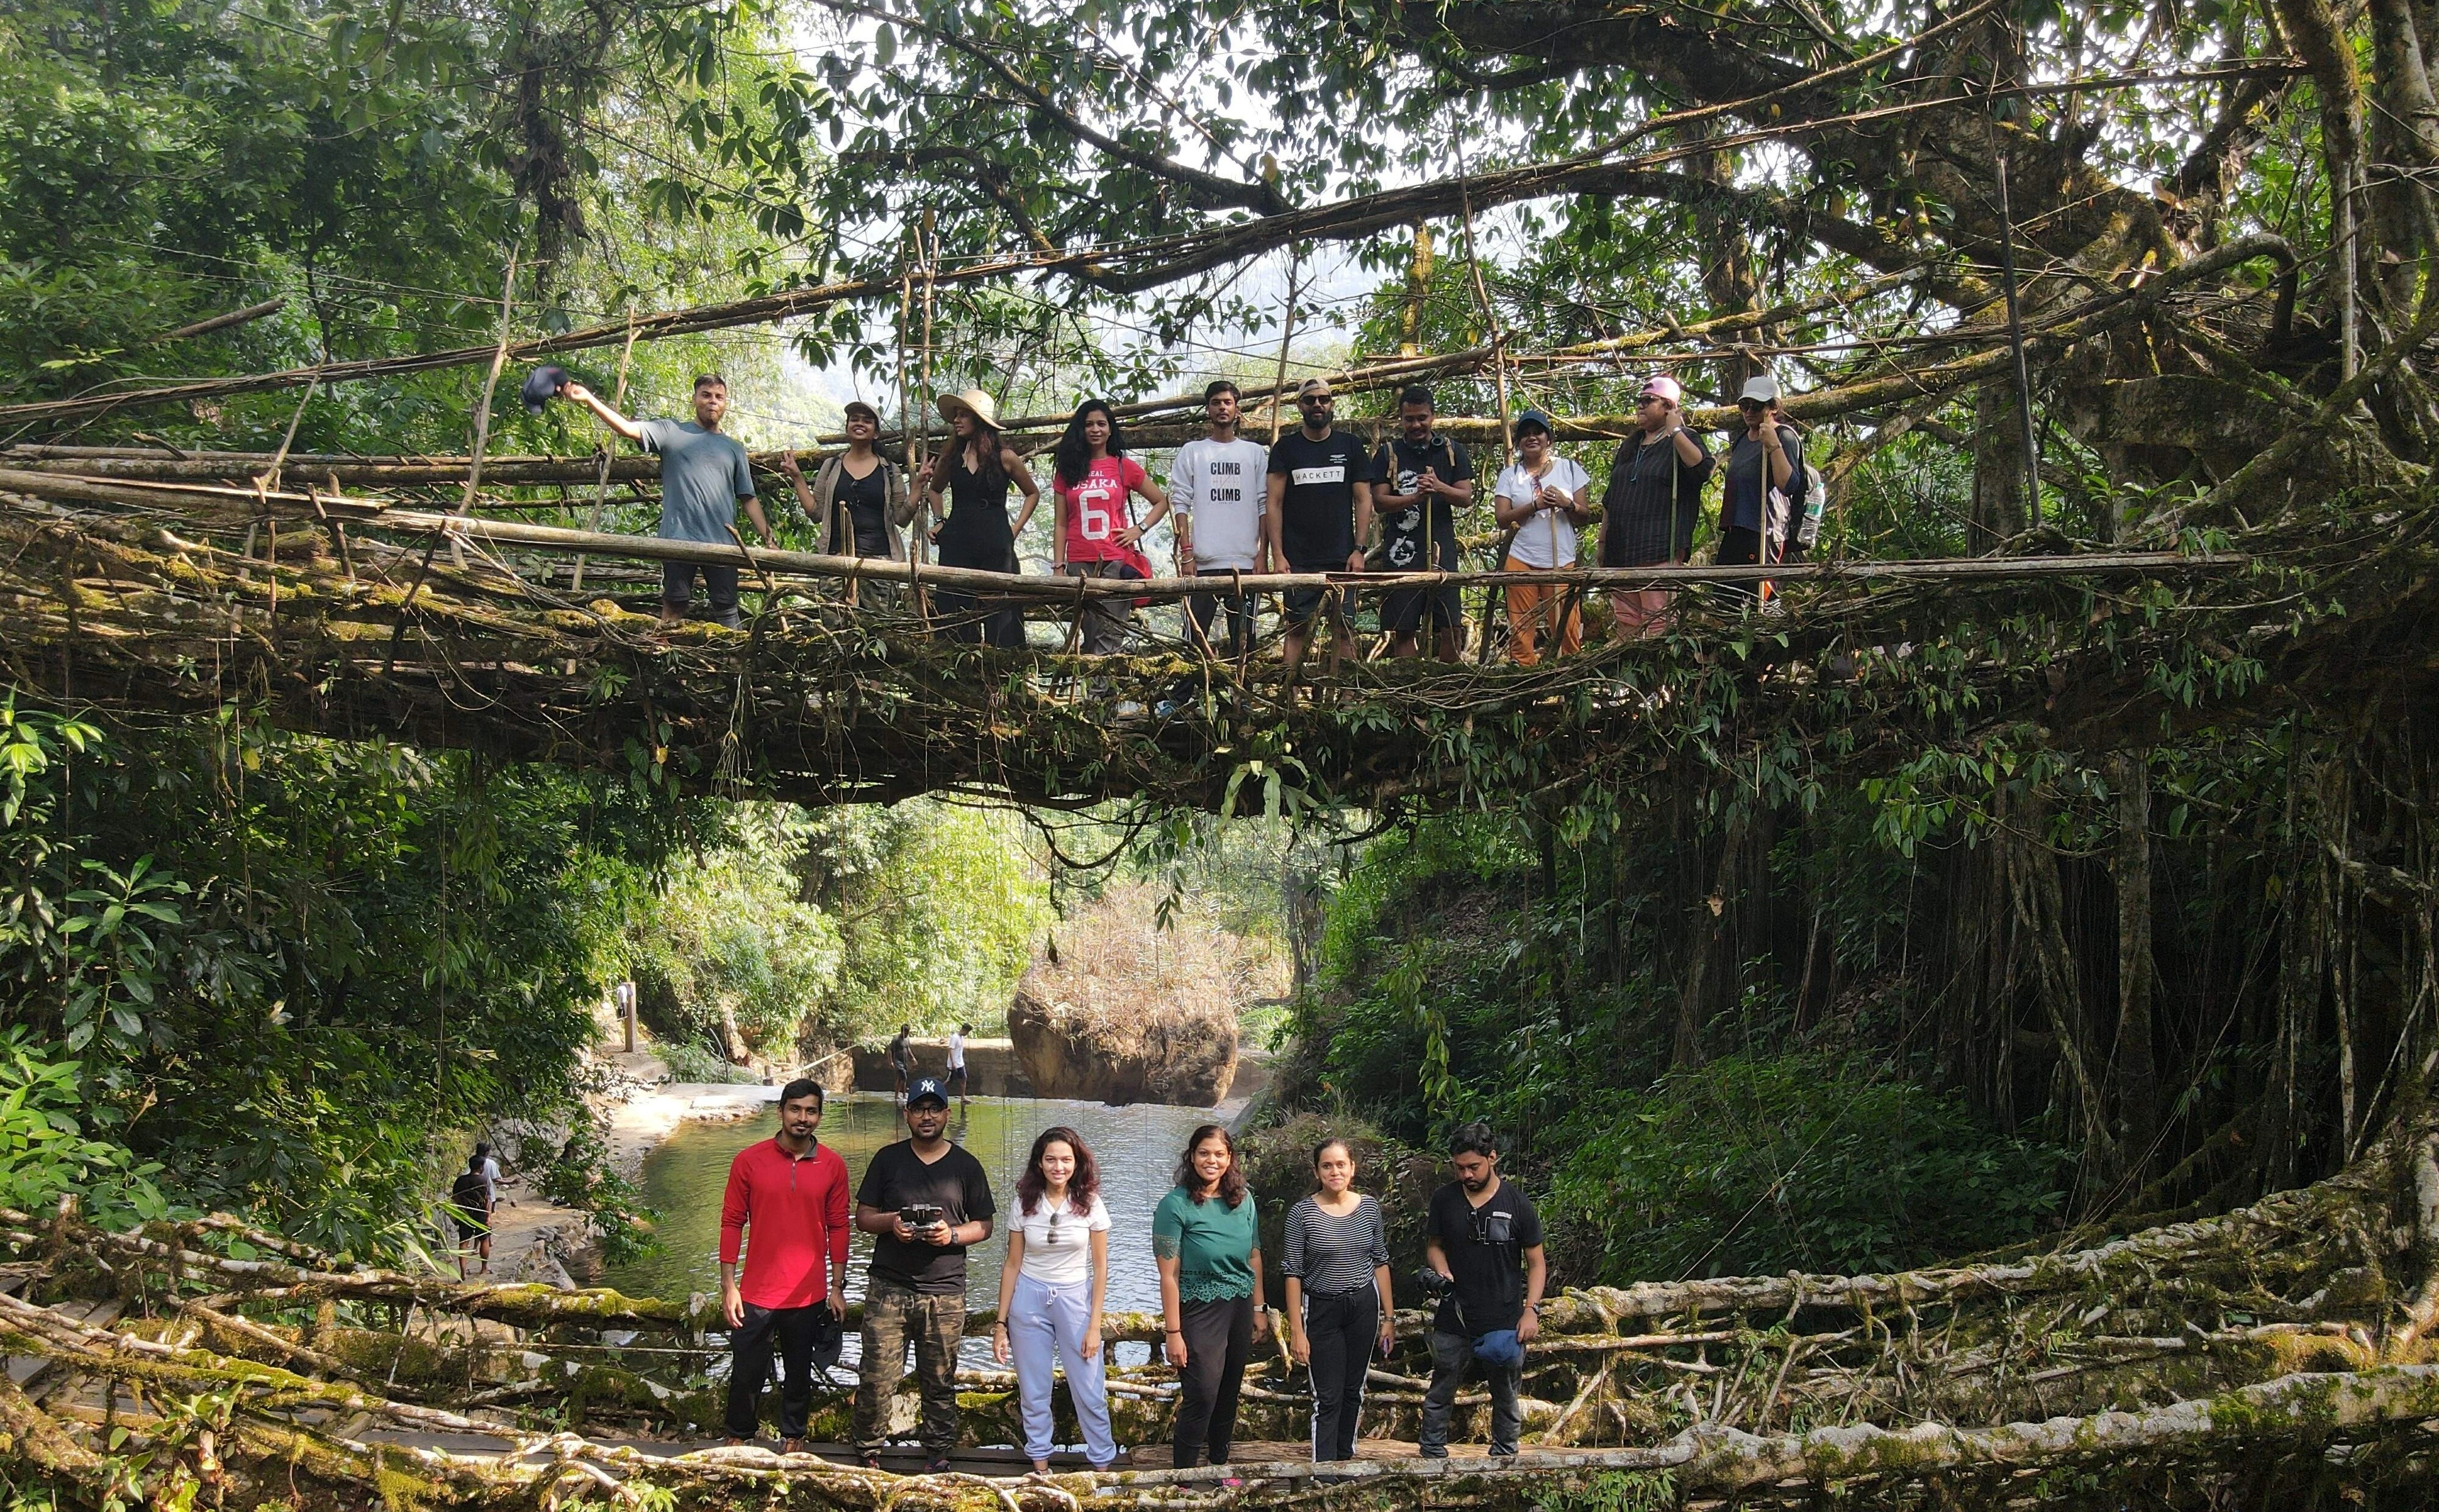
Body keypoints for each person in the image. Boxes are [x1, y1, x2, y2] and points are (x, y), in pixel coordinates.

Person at [852, 1077, 996, 1472]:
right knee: (877, 1377)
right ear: (907, 1114)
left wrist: (950, 1235)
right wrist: (892, 1223)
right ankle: (867, 1451)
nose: (927, 1116)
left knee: (939, 1380)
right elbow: (863, 1218)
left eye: (935, 1109)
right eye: (919, 1109)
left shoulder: (966, 1166)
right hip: (889, 1289)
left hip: (945, 1291)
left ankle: (939, 1451)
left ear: (948, 1114)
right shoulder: (887, 1159)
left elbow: (985, 1225)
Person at [559, 373, 778, 629]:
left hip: (722, 544)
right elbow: (627, 428)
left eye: (719, 397)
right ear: (695, 399)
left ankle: (735, 663)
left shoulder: (734, 449)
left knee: (727, 608)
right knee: (674, 605)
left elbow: (748, 498)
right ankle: (665, 658)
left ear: (726, 402)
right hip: (677, 538)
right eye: (706, 395)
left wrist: (769, 538)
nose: (713, 402)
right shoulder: (671, 431)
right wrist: (588, 399)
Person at [718, 1079, 851, 1452]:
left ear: (820, 1117)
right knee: (747, 1371)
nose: (802, 1118)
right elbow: (732, 1222)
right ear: (781, 1112)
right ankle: (738, 1435)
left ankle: (794, 1436)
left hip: (808, 1291)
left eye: (811, 1111)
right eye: (795, 1109)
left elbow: (839, 1225)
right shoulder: (749, 1161)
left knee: (799, 1371)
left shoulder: (833, 1165)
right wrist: (729, 1285)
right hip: (757, 1291)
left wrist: (837, 1286)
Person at [991, 1126, 1116, 1472]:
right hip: (1029, 1299)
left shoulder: (1090, 1204)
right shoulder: (1025, 1203)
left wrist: (1095, 1326)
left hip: (1075, 1298)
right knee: (1034, 1389)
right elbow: (1012, 1264)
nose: (1058, 1167)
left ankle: (1103, 1462)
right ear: (1039, 1163)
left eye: (1065, 1159)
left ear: (1077, 1163)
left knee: (1089, 1389)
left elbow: (1102, 1268)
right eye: (1051, 1160)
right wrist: (1001, 1324)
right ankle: (1041, 1463)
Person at [1418, 1122, 1546, 1460]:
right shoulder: (1444, 1199)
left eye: (1473, 1167)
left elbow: (1536, 1263)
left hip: (1503, 1315)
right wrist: (1440, 1269)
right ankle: (1432, 1454)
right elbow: (1434, 1246)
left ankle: (1503, 1456)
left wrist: (1531, 1309)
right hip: (1454, 1312)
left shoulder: (1517, 1204)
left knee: (1505, 1391)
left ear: (1493, 1158)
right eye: (1459, 1168)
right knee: (1442, 1385)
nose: (1466, 1175)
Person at [1154, 1124, 1270, 1469]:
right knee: (1202, 1390)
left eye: (1219, 1154)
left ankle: (1220, 1463)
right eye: (1204, 1153)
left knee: (1228, 1389)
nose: (1212, 1160)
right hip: (1198, 1305)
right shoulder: (1175, 1205)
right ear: (1191, 1157)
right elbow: (1168, 1274)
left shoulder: (1244, 1199)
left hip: (1239, 1304)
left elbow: (1254, 1256)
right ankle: (1185, 1473)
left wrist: (1260, 1308)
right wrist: (1173, 1333)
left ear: (1230, 1158)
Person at [1282, 1138, 1393, 1463]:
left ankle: (1346, 1459)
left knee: (1353, 1391)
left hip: (1362, 1306)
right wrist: (1297, 1332)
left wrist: (1389, 1318)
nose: (1335, 1171)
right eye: (1327, 1165)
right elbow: (1292, 1273)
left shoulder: (1369, 1207)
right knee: (1327, 1396)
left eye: (1340, 1164)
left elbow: (1380, 1262)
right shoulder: (1302, 1213)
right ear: (1317, 1171)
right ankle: (1324, 1468)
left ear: (1352, 1168)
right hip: (1322, 1309)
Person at [1264, 379, 1374, 683]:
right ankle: (1291, 701)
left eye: (1324, 399)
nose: (1317, 405)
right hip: (1298, 559)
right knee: (1296, 627)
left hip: (1343, 558)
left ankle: (1349, 700)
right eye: (1310, 400)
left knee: (1345, 628)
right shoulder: (1286, 448)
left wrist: (1360, 549)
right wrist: (1278, 555)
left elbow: (1364, 500)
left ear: (1331, 405)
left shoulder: (1350, 446)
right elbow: (1273, 503)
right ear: (1299, 405)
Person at [918, 388, 1040, 649]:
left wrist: (1013, 531)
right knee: (955, 610)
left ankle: (1000, 677)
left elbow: (1032, 493)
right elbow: (935, 489)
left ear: (979, 421)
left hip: (996, 543)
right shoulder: (950, 459)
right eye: (956, 415)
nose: (957, 421)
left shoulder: (1005, 457)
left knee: (1001, 610)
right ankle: (959, 675)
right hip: (957, 541)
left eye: (964, 415)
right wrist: (940, 520)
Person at [1596, 374, 1715, 638]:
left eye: (1648, 401)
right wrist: (1602, 543)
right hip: (1621, 552)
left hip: (1658, 549)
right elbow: (1611, 498)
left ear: (1669, 406)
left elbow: (1703, 469)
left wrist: (1676, 431)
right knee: (1627, 625)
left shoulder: (1683, 439)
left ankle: (1657, 681)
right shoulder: (1631, 446)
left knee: (1659, 623)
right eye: (1639, 401)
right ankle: (1629, 679)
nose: (1640, 406)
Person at [1051, 399, 1169, 655]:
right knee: (1089, 633)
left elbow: (1161, 501)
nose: (1095, 429)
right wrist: (1058, 567)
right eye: (1089, 424)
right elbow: (1060, 523)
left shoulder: (1123, 466)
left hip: (1114, 559)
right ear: (1080, 430)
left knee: (1111, 633)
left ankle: (1099, 696)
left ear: (1110, 429)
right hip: (1078, 563)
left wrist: (1139, 529)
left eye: (1101, 424)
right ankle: (1092, 693)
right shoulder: (1068, 471)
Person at [1369, 385, 1474, 662]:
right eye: (1410, 419)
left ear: (1433, 416)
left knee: (1451, 625)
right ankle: (1411, 688)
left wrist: (1439, 487)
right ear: (1401, 419)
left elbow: (1465, 497)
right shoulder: (1388, 453)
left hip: (1442, 548)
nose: (1416, 425)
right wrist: (1414, 497)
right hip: (1401, 550)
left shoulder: (1453, 451)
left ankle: (1445, 688)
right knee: (1404, 628)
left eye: (1422, 418)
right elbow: (1379, 501)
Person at [1171, 380, 1271, 661]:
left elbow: (1265, 505)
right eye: (1216, 403)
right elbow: (1180, 503)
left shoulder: (1254, 453)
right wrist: (1187, 553)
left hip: (1245, 563)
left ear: (1237, 409)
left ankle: (1241, 701)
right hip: (1203, 563)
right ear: (1208, 410)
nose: (1222, 407)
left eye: (1228, 402)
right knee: (1193, 639)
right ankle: (1181, 703)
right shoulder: (1193, 451)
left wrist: (1262, 554)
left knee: (1244, 642)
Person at [1491, 410, 1593, 665]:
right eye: (1525, 435)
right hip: (1521, 558)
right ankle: (1524, 680)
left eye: (1537, 432)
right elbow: (1502, 519)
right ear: (1518, 443)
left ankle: (1570, 680)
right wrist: (1534, 506)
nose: (1531, 438)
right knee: (1521, 627)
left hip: (1562, 559)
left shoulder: (1569, 469)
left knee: (1567, 626)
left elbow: (1584, 515)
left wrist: (1566, 504)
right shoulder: (1510, 476)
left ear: (1549, 438)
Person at [782, 400, 916, 566]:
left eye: (867, 421)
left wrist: (919, 487)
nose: (860, 423)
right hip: (835, 560)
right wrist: (797, 477)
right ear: (847, 427)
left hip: (880, 562)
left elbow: (901, 518)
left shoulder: (889, 471)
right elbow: (816, 513)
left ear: (876, 433)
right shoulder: (831, 466)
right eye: (855, 419)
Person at [1719, 375, 1796, 599]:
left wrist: (1773, 446)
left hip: (1765, 531)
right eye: (1745, 405)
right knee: (1726, 597)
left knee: (1760, 599)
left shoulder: (1785, 437)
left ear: (1773, 407)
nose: (1749, 411)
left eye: (1757, 405)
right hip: (1736, 531)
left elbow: (1788, 484)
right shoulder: (1742, 440)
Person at [447, 1154, 491, 1279]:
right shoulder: (483, 1181)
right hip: (481, 1214)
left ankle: (463, 1272)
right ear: (481, 1167)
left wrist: (461, 1207)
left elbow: (455, 1197)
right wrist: (489, 1217)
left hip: (464, 1214)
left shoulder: (461, 1180)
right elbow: (487, 1200)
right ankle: (484, 1267)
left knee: (464, 1242)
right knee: (484, 1239)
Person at [888, 1024, 915, 1101]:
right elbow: (890, 1051)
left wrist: (912, 1058)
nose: (907, 1035)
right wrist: (891, 1062)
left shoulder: (907, 1039)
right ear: (902, 1032)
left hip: (905, 1062)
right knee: (904, 1077)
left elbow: (908, 1048)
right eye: (905, 1033)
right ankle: (903, 1095)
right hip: (898, 1062)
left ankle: (898, 1095)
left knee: (900, 1079)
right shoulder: (896, 1040)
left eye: (908, 1033)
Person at [946, 1023, 970, 1106]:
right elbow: (950, 1049)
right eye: (967, 1032)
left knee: (964, 1078)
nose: (967, 1034)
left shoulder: (961, 1038)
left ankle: (963, 1097)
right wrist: (953, 1063)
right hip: (954, 1064)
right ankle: (937, 1092)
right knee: (949, 1081)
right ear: (964, 1030)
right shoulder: (955, 1038)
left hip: (960, 1063)